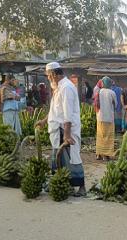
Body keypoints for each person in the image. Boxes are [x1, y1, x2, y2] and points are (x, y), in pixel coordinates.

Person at [36, 62, 86, 197]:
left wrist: (67, 134)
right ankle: (60, 182)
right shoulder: (58, 88)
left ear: (53, 74)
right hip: (57, 129)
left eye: (48, 76)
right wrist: (44, 121)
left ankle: (81, 187)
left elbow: (67, 113)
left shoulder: (66, 88)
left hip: (65, 130)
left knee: (72, 158)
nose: (47, 78)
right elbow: (55, 110)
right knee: (58, 159)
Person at [95, 77, 117, 161]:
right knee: (108, 137)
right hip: (109, 118)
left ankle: (99, 154)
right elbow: (115, 105)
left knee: (100, 136)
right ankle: (106, 155)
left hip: (100, 117)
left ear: (103, 83)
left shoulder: (99, 92)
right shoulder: (112, 92)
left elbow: (96, 104)